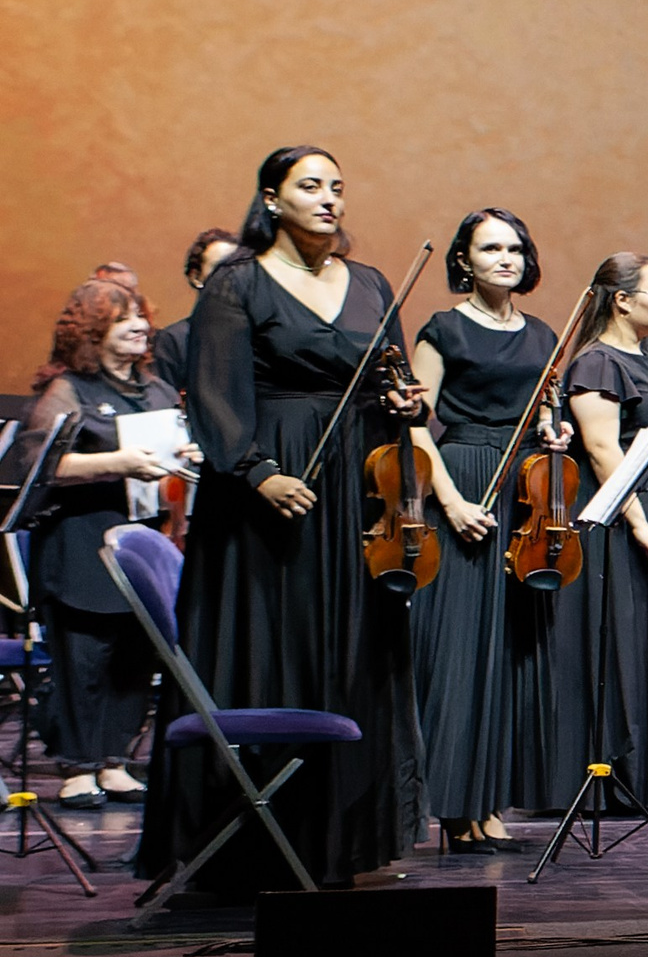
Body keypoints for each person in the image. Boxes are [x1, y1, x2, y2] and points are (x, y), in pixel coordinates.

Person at [141, 145, 425, 890]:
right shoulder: (238, 281)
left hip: (357, 491)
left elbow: (393, 377)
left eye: (337, 185)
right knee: (275, 642)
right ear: (272, 198)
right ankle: (252, 845)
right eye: (310, 186)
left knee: (351, 648)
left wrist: (405, 405)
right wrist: (257, 471)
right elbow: (214, 393)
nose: (329, 197)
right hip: (266, 493)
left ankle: (345, 836)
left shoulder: (370, 282)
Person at [405, 207, 562, 851]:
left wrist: (556, 433)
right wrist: (452, 500)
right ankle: (453, 805)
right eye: (491, 248)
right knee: (461, 651)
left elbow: (549, 412)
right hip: (466, 477)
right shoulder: (442, 329)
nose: (506, 258)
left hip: (526, 488)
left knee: (508, 652)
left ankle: (490, 800)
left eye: (516, 248)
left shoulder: (545, 333)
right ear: (463, 261)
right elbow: (416, 422)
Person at [21, 272, 196, 808]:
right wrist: (115, 464)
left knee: (133, 654)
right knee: (83, 658)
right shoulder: (69, 390)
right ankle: (78, 767)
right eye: (124, 321)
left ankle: (116, 760)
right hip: (80, 542)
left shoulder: (157, 387)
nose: (141, 327)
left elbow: (175, 444)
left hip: (139, 539)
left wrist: (187, 454)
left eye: (141, 317)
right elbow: (40, 464)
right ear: (94, 332)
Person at [534, 253, 648, 812]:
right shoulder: (598, 362)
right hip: (621, 515)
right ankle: (610, 773)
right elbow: (604, 450)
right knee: (620, 637)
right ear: (623, 300)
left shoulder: (645, 355)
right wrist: (639, 523)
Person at [153, 227, 237, 392]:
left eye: (237, 266)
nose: (231, 274)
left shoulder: (263, 332)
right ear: (196, 276)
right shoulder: (175, 340)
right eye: (219, 267)